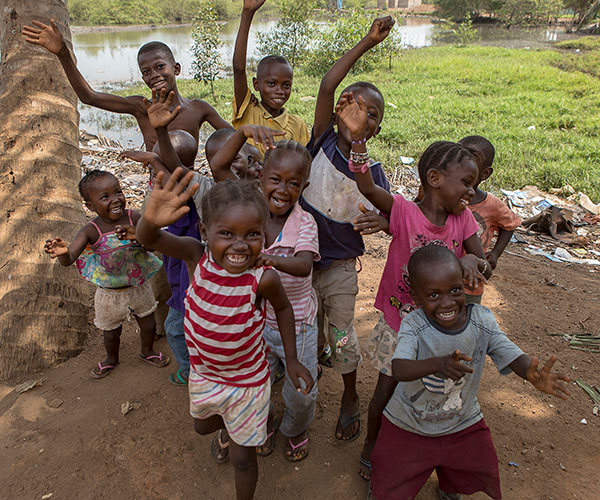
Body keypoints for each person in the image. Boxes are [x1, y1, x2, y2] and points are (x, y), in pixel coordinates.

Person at [336, 94, 494, 480]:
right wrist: (358, 143)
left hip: (444, 330)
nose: (471, 193)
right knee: (385, 393)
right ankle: (372, 446)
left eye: (475, 184)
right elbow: (368, 187)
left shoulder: (465, 221)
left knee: (442, 397)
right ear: (435, 179)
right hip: (401, 325)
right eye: (466, 183)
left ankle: (443, 465)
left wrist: (477, 263)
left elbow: (481, 264)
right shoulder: (405, 213)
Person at [136, 170, 313, 500]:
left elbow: (285, 310)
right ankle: (235, 427)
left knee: (243, 459)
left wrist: (291, 360)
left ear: (265, 235)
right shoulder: (195, 256)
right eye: (227, 233)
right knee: (202, 426)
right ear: (205, 231)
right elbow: (149, 239)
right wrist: (149, 218)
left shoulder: (263, 278)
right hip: (205, 376)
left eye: (252, 234)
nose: (240, 245)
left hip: (247, 382)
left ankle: (244, 439)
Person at [369, 245, 570, 500]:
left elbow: (504, 348)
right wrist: (438, 364)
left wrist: (530, 373)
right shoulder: (414, 324)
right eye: (433, 295)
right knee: (390, 480)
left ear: (464, 284)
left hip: (462, 420)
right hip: (410, 422)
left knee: (472, 465)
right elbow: (399, 368)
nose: (447, 302)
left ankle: (450, 486)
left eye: (454, 290)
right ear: (416, 297)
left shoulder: (481, 320)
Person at [299, 16, 395, 444]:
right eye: (355, 105)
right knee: (307, 330)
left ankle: (351, 395)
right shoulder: (319, 139)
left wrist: (384, 219)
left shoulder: (371, 171)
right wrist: (366, 42)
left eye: (372, 115)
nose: (362, 116)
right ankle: (304, 380)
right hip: (298, 262)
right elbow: (325, 85)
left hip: (338, 267)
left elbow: (394, 216)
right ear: (341, 109)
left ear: (375, 129)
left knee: (340, 336)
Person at [22, 21, 230, 150]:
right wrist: (63, 54)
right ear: (142, 79)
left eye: (160, 67)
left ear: (176, 68)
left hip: (191, 184)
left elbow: (234, 137)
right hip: (158, 190)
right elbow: (89, 97)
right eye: (146, 72)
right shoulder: (141, 107)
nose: (154, 75)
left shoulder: (198, 108)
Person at [44, 170, 168, 378]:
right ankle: (111, 358)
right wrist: (63, 253)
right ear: (90, 206)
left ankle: (148, 351)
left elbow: (153, 247)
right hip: (109, 295)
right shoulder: (90, 230)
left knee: (148, 324)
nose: (116, 199)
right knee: (111, 332)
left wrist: (139, 238)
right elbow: (70, 258)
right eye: (105, 197)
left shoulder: (134, 217)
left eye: (118, 192)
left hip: (139, 287)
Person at [232, 0, 309, 155]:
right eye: (272, 84)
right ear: (256, 84)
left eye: (286, 85)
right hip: (248, 179)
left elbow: (304, 163)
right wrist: (247, 13)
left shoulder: (297, 124)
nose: (279, 91)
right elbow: (239, 69)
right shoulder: (248, 111)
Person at [458, 135, 522, 304]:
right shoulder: (442, 196)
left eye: (471, 155)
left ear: (485, 173)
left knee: (465, 322)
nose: (463, 159)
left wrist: (495, 253)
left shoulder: (492, 205)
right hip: (439, 276)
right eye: (458, 152)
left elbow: (510, 225)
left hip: (470, 282)